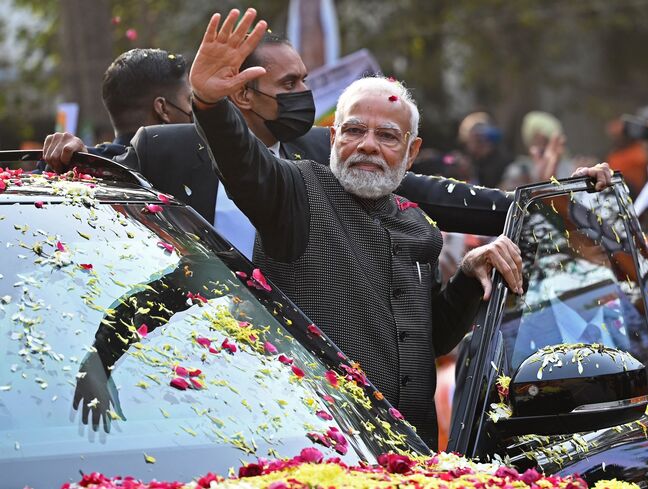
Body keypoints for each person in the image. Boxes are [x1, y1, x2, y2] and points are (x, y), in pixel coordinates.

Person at [185, 8, 525, 448]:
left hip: (413, 458)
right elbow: (244, 163)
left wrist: (467, 276)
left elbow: (430, 340)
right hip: (318, 454)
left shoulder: (418, 225)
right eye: (354, 130)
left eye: (386, 136)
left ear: (411, 151)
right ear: (333, 140)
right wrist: (209, 104)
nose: (367, 145)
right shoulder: (296, 193)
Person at [43, 49, 193, 160]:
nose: (196, 110)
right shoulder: (81, 165)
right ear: (163, 109)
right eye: (189, 100)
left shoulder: (90, 168)